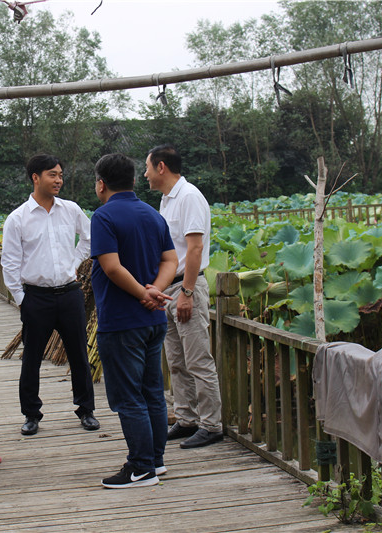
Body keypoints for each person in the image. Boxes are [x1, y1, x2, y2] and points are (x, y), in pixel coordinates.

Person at [91, 153, 177, 489]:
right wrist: (156, 289)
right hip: (154, 319)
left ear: (102, 183)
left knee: (128, 397)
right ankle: (155, 461)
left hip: (122, 320)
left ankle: (140, 468)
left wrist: (142, 292)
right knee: (152, 391)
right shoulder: (153, 215)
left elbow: (111, 267)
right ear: (134, 180)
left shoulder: (104, 217)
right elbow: (170, 259)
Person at [1, 154, 99, 435]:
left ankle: (86, 410)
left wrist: (74, 261)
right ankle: (31, 414)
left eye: (60, 174)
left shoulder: (71, 210)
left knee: (79, 354)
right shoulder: (18, 218)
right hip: (36, 297)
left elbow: (90, 238)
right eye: (52, 175)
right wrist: (21, 299)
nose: (59, 180)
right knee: (31, 357)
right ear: (35, 178)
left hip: (69, 293)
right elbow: (9, 263)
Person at [144, 144, 224, 449]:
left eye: (148, 167)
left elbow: (195, 249)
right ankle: (187, 417)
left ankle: (211, 424)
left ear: (161, 167)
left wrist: (188, 293)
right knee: (176, 360)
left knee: (198, 359)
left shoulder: (189, 197)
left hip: (186, 287)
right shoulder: (167, 200)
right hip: (169, 289)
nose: (146, 174)